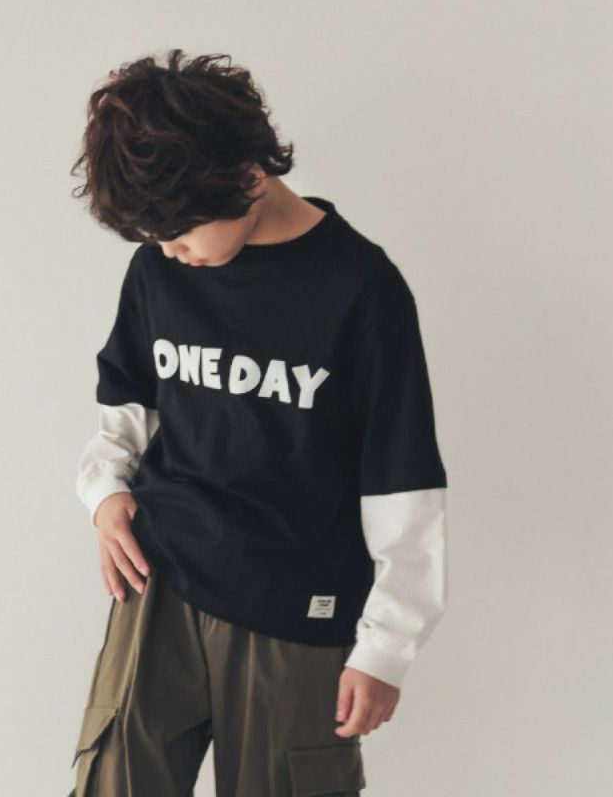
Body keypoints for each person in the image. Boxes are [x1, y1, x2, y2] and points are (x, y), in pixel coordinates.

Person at [66, 48, 448, 797]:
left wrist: (387, 648)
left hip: (296, 609)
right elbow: (127, 399)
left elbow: (401, 479)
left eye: (180, 231)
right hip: (160, 584)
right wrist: (106, 493)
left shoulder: (361, 289)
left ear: (249, 177)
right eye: (153, 236)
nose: (169, 250)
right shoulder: (160, 266)